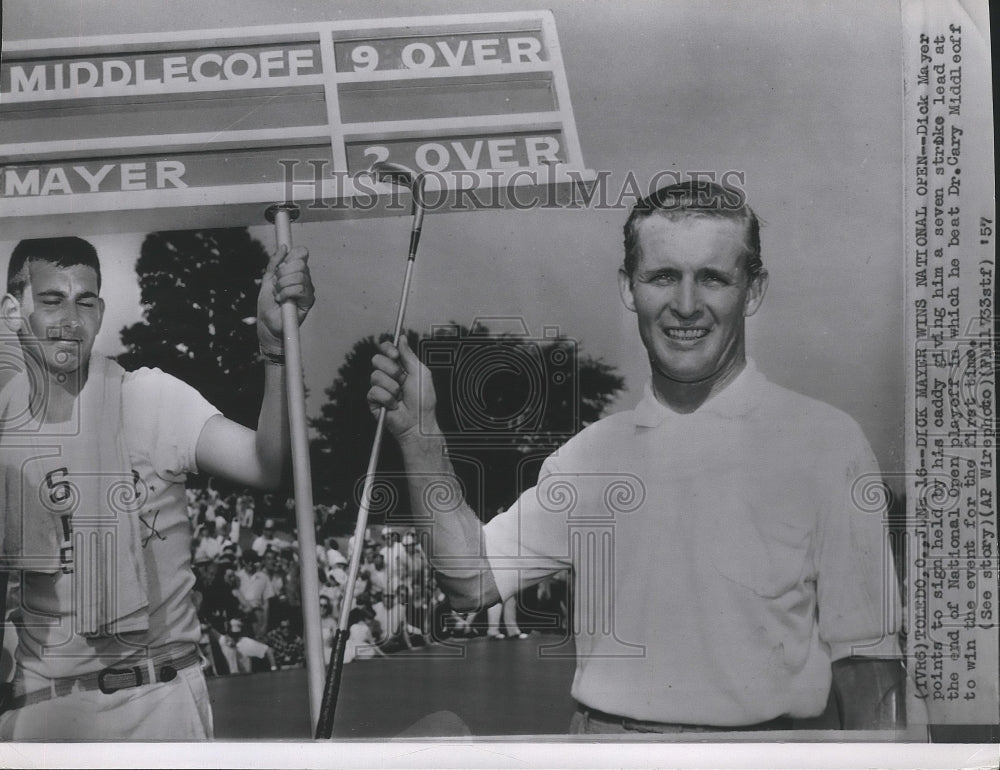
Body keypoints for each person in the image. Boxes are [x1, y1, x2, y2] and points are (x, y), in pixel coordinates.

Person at [368, 180, 908, 733]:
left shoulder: (826, 444)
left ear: (753, 290)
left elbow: (869, 669)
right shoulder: (589, 457)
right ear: (630, 288)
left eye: (713, 277)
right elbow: (471, 580)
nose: (686, 305)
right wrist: (419, 433)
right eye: (663, 276)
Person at [0, 235, 314, 739]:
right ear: (14, 311)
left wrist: (275, 351)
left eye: (85, 301)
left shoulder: (148, 397)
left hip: (158, 699)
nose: (70, 318)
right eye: (51, 299)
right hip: (45, 709)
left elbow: (266, 464)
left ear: (100, 312)